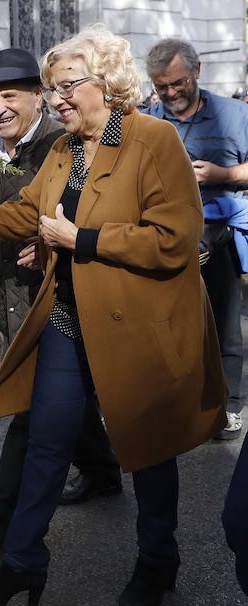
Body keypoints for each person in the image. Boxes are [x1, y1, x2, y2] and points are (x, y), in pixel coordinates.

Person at [0, 26, 226, 606]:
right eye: (52, 88)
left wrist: (81, 239)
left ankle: (157, 560)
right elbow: (21, 215)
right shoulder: (63, 151)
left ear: (106, 83)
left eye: (67, 86)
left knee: (148, 447)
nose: (56, 98)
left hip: (136, 324)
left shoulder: (152, 139)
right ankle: (21, 562)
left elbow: (175, 238)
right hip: (67, 318)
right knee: (46, 440)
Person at [0, 47, 121, 553]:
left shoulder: (62, 144)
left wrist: (54, 241)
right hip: (10, 295)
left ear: (37, 97)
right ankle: (102, 470)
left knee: (34, 406)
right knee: (63, 397)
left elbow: (93, 213)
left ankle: (2, 515)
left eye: (10, 96)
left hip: (59, 293)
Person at [142, 39, 248, 441]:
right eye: (162, 86)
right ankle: (171, 402)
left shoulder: (235, 115)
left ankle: (228, 404)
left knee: (223, 325)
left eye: (178, 83)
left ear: (197, 71)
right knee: (163, 326)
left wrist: (224, 175)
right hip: (161, 238)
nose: (170, 93)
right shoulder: (146, 122)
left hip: (218, 238)